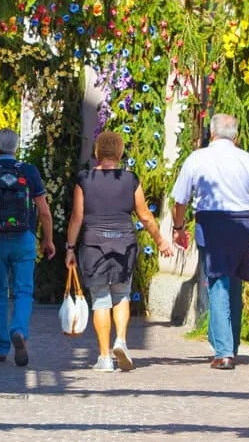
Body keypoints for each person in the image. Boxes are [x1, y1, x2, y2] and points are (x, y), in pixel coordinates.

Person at [170, 113, 249, 370]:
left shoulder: (197, 159)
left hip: (211, 223)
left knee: (217, 282)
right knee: (234, 281)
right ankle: (229, 344)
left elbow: (180, 199)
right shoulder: (247, 160)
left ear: (211, 134)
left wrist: (179, 228)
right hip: (242, 224)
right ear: (235, 136)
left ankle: (224, 351)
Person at [65, 131, 174, 372]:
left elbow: (77, 217)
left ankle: (104, 357)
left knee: (101, 300)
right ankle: (121, 341)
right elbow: (144, 215)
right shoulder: (130, 179)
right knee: (122, 295)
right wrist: (161, 241)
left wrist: (70, 248)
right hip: (124, 242)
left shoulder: (84, 179)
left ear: (97, 153)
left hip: (93, 244)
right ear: (120, 153)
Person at [0, 128, 56, 366]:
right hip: (24, 238)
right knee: (24, 291)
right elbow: (45, 211)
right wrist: (47, 240)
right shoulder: (28, 171)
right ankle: (18, 330)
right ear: (16, 148)